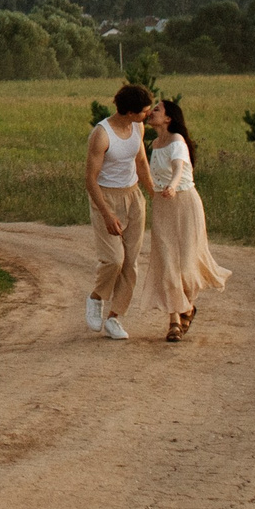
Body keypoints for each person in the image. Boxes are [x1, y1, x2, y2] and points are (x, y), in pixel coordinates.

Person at [144, 97, 231, 341]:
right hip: (162, 207)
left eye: (157, 110)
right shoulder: (154, 144)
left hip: (184, 203)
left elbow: (179, 168)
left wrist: (172, 186)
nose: (152, 112)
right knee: (167, 264)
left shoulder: (177, 141)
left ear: (168, 118)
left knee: (186, 265)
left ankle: (188, 307)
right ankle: (174, 322)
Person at [83, 82, 155, 339]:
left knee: (131, 263)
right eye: (144, 111)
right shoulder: (102, 134)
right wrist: (106, 214)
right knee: (114, 259)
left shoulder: (138, 127)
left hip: (133, 196)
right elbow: (90, 179)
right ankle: (96, 298)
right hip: (106, 198)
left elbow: (141, 162)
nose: (148, 114)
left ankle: (115, 318)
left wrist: (154, 195)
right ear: (130, 112)